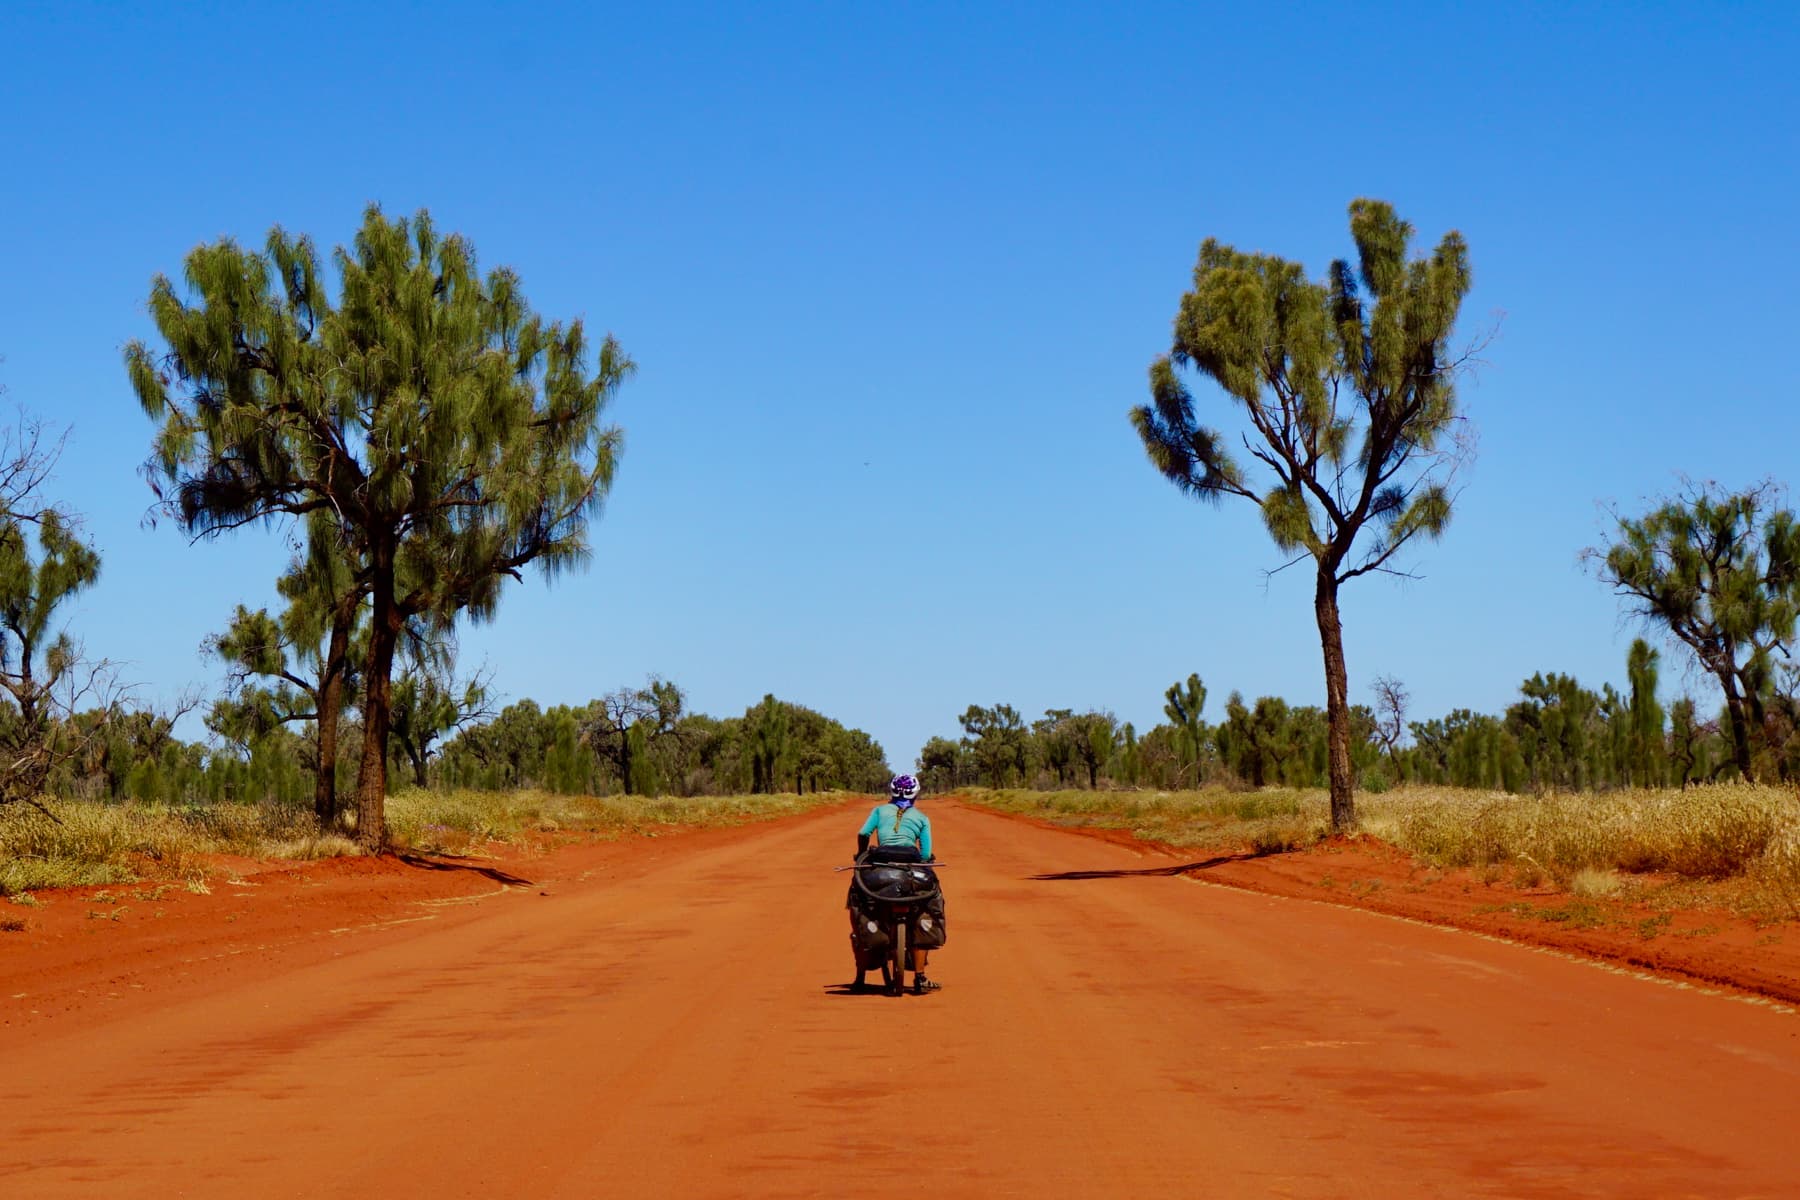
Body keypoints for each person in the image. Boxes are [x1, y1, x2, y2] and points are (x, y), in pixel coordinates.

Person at [847, 773, 944, 993]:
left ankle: (860, 976)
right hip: (910, 869)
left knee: (860, 901)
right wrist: (926, 860)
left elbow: (863, 833)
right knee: (925, 908)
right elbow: (926, 853)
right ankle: (920, 977)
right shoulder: (922, 818)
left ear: (891, 792)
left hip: (880, 867)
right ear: (915, 794)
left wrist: (861, 853)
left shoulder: (879, 811)